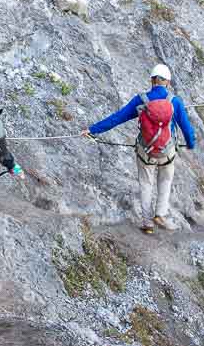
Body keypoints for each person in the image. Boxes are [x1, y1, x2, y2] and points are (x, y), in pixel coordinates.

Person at [82, 64, 196, 234]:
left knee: (146, 184)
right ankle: (161, 214)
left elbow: (117, 118)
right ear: (168, 83)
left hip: (146, 151)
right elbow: (186, 128)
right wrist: (190, 144)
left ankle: (147, 224)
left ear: (152, 80)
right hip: (167, 151)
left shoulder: (141, 100)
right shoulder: (175, 102)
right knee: (166, 179)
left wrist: (92, 129)